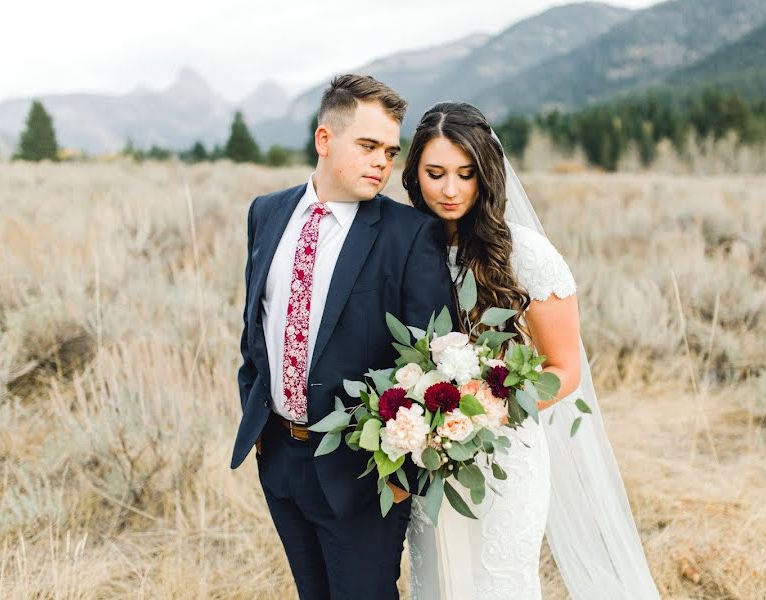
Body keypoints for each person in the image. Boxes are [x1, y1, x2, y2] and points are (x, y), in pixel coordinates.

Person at [403, 102, 661, 599]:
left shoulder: (525, 254)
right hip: (428, 453)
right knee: (437, 583)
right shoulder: (406, 248)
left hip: (506, 455)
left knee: (497, 584)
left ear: (487, 175)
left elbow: (564, 369)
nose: (450, 190)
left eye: (465, 174)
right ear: (415, 173)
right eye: (435, 174)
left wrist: (486, 413)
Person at [229, 75, 457, 600]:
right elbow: (255, 329)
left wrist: (403, 473)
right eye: (368, 145)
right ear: (325, 141)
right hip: (280, 459)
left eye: (390, 151)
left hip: (362, 473)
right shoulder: (267, 212)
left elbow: (433, 359)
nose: (382, 161)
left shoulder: (409, 233)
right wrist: (259, 421)